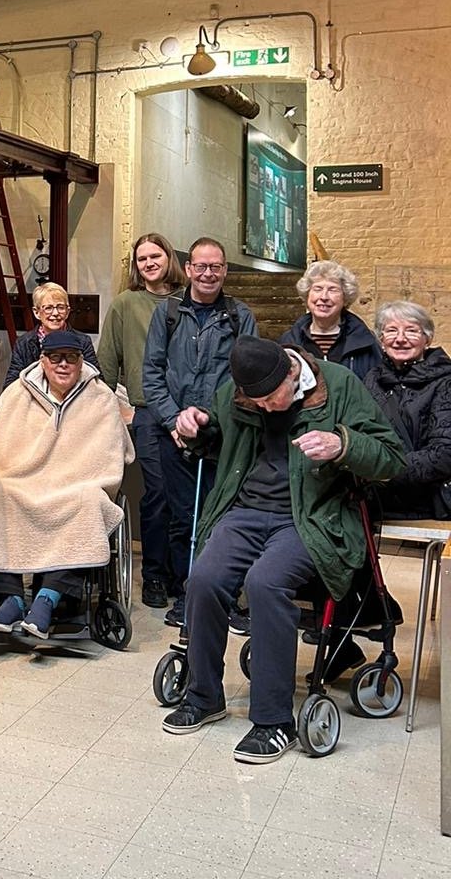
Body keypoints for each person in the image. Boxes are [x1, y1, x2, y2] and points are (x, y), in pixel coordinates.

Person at [161, 337, 404, 763]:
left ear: (293, 372)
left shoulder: (339, 385)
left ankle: (274, 722)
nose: (269, 409)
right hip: (244, 510)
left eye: (274, 399)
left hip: (312, 517)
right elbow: (214, 443)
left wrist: (342, 444)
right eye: (258, 403)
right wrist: (194, 430)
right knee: (203, 578)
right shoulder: (240, 393)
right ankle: (203, 697)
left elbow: (391, 457)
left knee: (266, 582)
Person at [0, 332, 133, 638]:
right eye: (55, 357)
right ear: (42, 360)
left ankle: (47, 599)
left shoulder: (100, 397)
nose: (63, 364)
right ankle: (11, 598)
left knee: (86, 501)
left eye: (71, 358)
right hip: (25, 480)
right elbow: (1, 449)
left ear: (81, 360)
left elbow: (106, 455)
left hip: (78, 483)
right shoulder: (17, 393)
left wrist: (73, 478)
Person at [142, 237, 258, 628]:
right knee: (182, 518)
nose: (208, 273)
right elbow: (152, 373)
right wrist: (174, 420)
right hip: (172, 433)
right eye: (201, 267)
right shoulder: (168, 313)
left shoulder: (241, 317)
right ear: (189, 269)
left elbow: (250, 380)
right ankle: (186, 595)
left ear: (225, 271)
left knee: (225, 518)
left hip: (224, 436)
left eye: (216, 267)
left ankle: (224, 597)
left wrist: (210, 418)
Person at [97, 233, 186, 609]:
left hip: (188, 413)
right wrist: (119, 409)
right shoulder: (125, 304)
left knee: (187, 498)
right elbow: (106, 364)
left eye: (156, 256)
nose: (149, 263)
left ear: (169, 258)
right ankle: (154, 575)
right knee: (159, 493)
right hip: (148, 412)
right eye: (143, 258)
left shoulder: (188, 301)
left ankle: (185, 577)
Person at [363, 301, 451, 519]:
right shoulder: (372, 380)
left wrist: (383, 470)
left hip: (431, 506)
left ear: (427, 339)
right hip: (379, 505)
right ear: (381, 340)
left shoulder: (446, 381)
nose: (400, 338)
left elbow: (445, 454)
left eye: (411, 330)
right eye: (391, 330)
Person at [279, 260, 382, 380]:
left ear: (345, 298)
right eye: (317, 289)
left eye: (333, 290)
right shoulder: (289, 342)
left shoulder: (365, 341)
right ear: (307, 295)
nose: (324, 297)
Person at [2, 281, 98, 389]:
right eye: (48, 308)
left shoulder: (83, 341)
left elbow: (96, 381)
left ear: (67, 312)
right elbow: (11, 385)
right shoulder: (24, 343)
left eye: (60, 307)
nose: (55, 313)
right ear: (36, 312)